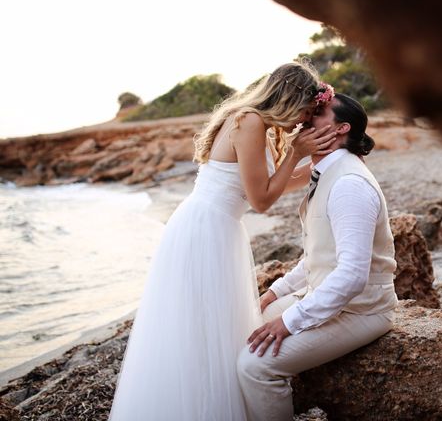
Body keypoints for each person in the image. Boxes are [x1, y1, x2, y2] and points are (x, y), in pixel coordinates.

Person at [109, 61, 337, 421]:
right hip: (205, 231)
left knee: (212, 328)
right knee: (202, 329)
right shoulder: (249, 122)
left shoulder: (252, 122)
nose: (301, 122)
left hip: (216, 228)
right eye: (304, 112)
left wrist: (325, 162)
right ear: (289, 98)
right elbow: (261, 200)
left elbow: (265, 189)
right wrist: (296, 152)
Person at [236, 92, 398, 420]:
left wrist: (289, 321)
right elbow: (318, 253)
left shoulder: (349, 184)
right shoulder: (326, 172)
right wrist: (275, 292)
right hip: (325, 295)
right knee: (246, 327)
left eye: (318, 113)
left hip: (363, 310)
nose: (307, 116)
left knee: (254, 365)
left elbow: (352, 275)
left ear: (341, 129)